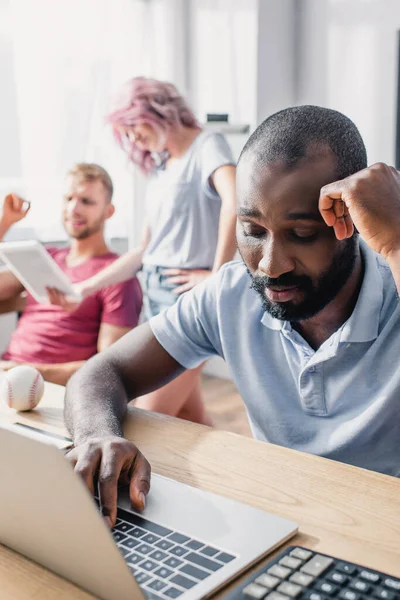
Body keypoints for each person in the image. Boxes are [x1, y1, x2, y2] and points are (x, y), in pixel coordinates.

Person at [65, 105, 400, 526]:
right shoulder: (230, 292)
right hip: (280, 521)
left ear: (350, 220)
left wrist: (397, 240)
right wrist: (97, 434)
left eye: (302, 234)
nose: (270, 265)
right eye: (253, 231)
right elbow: (103, 371)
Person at [49, 77, 237, 424]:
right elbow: (144, 251)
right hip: (155, 295)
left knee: (144, 420)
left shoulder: (207, 145)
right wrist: (83, 289)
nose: (133, 139)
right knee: (191, 420)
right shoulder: (162, 166)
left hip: (185, 299)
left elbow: (236, 200)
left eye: (133, 127)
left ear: (157, 110)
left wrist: (217, 275)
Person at [0, 163, 142, 386]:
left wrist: (31, 372)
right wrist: (4, 223)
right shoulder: (46, 257)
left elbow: (109, 368)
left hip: (49, 386)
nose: (73, 209)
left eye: (86, 201)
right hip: (8, 373)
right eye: (68, 199)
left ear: (109, 211)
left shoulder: (117, 276)